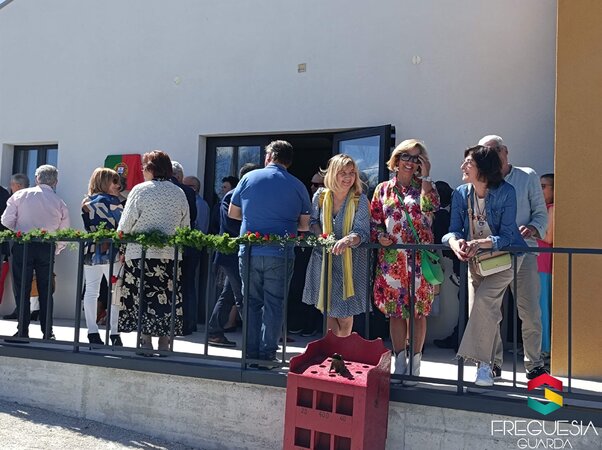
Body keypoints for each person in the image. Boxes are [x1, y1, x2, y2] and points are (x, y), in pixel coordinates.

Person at [443, 145, 527, 386]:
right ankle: (493, 364)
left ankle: (483, 367)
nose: (462, 166)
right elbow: (452, 231)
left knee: (483, 302)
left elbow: (508, 236)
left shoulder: (506, 192)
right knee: (482, 311)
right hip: (477, 260)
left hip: (507, 258)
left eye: (468, 163)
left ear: (483, 167)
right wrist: (455, 243)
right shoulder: (461, 193)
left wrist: (481, 242)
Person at [229, 140, 311, 367]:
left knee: (251, 302)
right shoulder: (297, 185)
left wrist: (254, 217)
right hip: (281, 252)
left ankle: (250, 352)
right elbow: (304, 225)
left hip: (250, 249)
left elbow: (233, 213)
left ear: (269, 156)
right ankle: (267, 353)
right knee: (274, 304)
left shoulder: (248, 178)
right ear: (288, 161)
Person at [478, 135, 548, 380]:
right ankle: (493, 363)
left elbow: (541, 213)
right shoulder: (482, 179)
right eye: (483, 153)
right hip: (493, 253)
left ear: (504, 151)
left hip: (524, 251)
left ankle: (535, 364)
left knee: (530, 311)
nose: (488, 157)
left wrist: (532, 228)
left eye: (492, 151)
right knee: (490, 311)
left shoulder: (527, 176)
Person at [370, 139, 439, 384]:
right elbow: (375, 222)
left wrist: (427, 176)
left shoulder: (425, 187)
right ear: (397, 159)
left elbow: (431, 208)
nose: (410, 162)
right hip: (393, 260)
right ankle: (399, 362)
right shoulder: (382, 189)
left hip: (419, 260)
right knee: (396, 312)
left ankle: (415, 365)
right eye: (406, 157)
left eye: (416, 158)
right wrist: (380, 237)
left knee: (418, 313)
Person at [117, 151, 190, 354]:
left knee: (142, 298)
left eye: (144, 165)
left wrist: (121, 245)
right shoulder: (179, 192)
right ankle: (165, 343)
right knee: (167, 298)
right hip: (170, 255)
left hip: (141, 254)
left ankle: (145, 341)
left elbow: (125, 225)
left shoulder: (140, 190)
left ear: (151, 168)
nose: (142, 169)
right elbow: (185, 226)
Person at [301, 154, 370, 337]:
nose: (348, 177)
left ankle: (342, 347)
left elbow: (362, 232)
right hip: (324, 260)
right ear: (332, 174)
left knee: (345, 314)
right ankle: (334, 349)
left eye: (352, 173)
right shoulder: (320, 196)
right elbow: (313, 221)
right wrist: (321, 235)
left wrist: (347, 240)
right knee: (328, 309)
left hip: (350, 263)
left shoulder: (360, 199)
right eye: (343, 173)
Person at [1, 165, 70, 341]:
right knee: (46, 290)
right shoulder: (59, 202)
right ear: (55, 182)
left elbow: (6, 220)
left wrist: (20, 230)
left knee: (21, 288)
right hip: (46, 246)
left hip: (23, 245)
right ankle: (48, 332)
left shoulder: (19, 195)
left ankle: (22, 331)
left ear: (37, 178)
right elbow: (64, 231)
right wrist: (56, 248)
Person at [207, 163, 260, 347]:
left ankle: (214, 331)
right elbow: (231, 224)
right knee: (242, 295)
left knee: (229, 294)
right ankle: (253, 340)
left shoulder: (242, 195)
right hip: (232, 254)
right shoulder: (232, 195)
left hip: (236, 253)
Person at [81, 168, 124, 346]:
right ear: (105, 182)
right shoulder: (114, 202)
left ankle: (92, 331)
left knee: (91, 291)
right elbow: (122, 226)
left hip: (91, 249)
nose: (118, 185)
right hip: (112, 250)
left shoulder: (86, 202)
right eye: (114, 181)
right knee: (116, 291)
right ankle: (114, 333)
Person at [287, 170, 325, 337]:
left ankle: (312, 325)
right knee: (299, 286)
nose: (313, 187)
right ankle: (297, 323)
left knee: (318, 289)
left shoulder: (330, 201)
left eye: (317, 184)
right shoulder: (307, 200)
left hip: (321, 251)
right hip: (302, 249)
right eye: (312, 184)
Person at [171, 161, 198, 335]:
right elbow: (193, 216)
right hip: (187, 244)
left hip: (167, 245)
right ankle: (188, 324)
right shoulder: (188, 191)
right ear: (180, 176)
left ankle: (172, 324)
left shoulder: (162, 189)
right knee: (188, 285)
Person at [537, 173, 554, 358]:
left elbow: (549, 238)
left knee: (542, 307)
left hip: (543, 263)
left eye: (543, 186)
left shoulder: (552, 209)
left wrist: (530, 230)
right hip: (535, 262)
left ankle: (544, 348)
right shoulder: (541, 209)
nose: (540, 190)